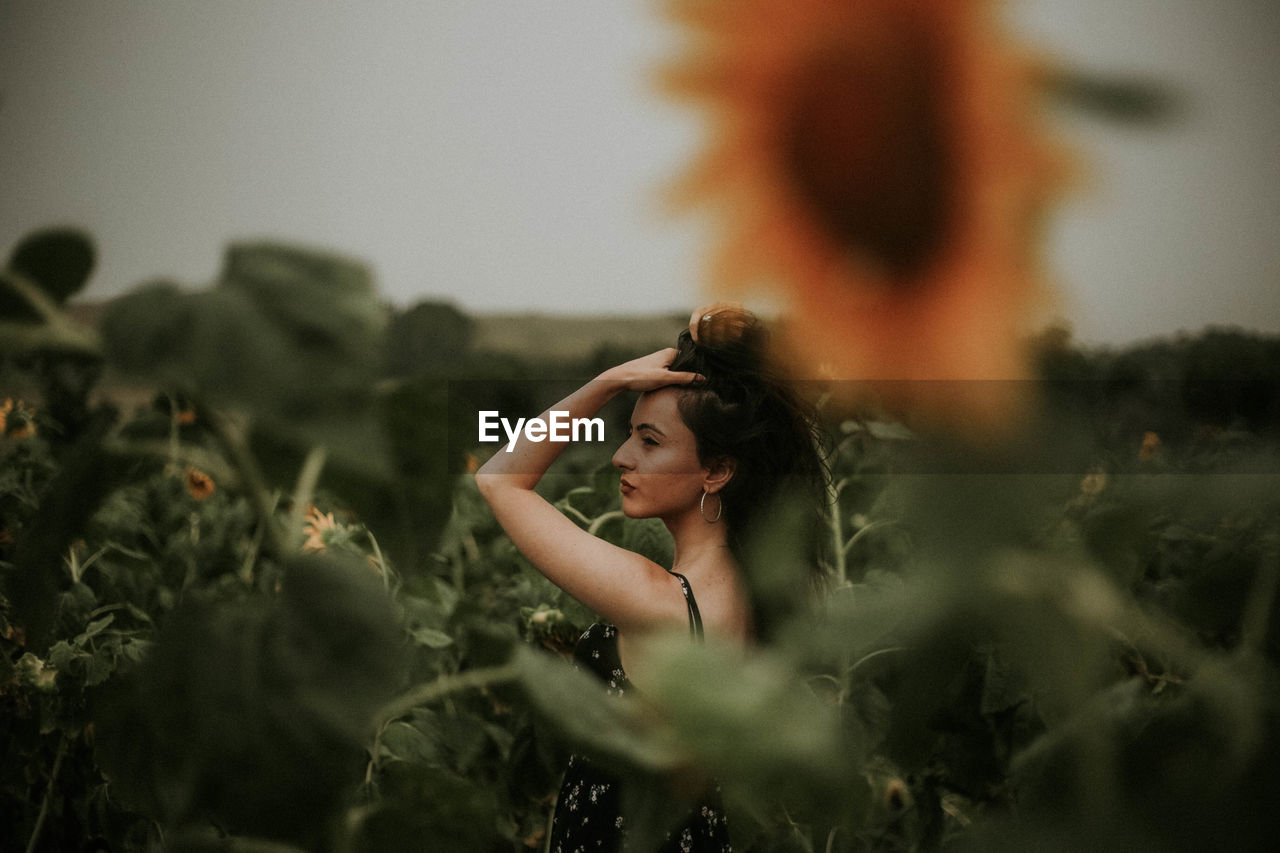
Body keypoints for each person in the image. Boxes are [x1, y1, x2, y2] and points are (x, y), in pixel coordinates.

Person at [475, 303, 828, 852]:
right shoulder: (746, 590)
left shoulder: (658, 602)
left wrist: (607, 383)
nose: (620, 457)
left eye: (649, 440)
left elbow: (501, 481)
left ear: (717, 470)